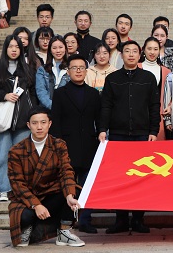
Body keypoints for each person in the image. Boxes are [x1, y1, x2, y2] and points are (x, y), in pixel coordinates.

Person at [99, 40, 160, 234]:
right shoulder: (112, 78)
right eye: (127, 51)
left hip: (142, 134)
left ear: (140, 54)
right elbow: (106, 106)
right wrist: (103, 129)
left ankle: (139, 219)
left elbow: (154, 106)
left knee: (141, 177)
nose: (131, 54)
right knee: (120, 177)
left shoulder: (148, 78)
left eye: (135, 51)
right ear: (121, 55)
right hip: (118, 134)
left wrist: (153, 131)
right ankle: (121, 220)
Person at [7, 106, 84, 247]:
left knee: (75, 192)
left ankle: (64, 232)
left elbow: (66, 172)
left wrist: (69, 196)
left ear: (50, 124)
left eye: (43, 122)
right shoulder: (16, 150)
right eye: (35, 123)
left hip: (50, 194)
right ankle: (26, 229)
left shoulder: (59, 145)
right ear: (28, 125)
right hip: (27, 198)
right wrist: (36, 204)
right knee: (23, 215)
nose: (39, 127)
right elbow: (17, 183)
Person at [50, 54, 101, 234]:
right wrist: (58, 144)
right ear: (68, 71)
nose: (78, 71)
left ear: (86, 71)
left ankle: (85, 220)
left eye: (81, 68)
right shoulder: (60, 93)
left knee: (87, 184)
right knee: (68, 184)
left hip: (89, 145)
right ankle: (66, 219)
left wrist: (100, 136)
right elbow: (55, 121)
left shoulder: (93, 94)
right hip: (67, 145)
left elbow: (99, 120)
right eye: (74, 68)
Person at [0, 35, 37, 202]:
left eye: (17, 47)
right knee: (3, 156)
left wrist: (33, 114)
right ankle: (4, 190)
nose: (14, 50)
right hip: (3, 120)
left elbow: (34, 93)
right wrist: (4, 95)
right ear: (5, 48)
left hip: (23, 120)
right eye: (11, 46)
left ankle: (20, 190)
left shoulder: (27, 68)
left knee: (22, 157)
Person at [139, 36, 171, 141]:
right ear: (144, 50)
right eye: (149, 49)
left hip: (158, 116)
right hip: (138, 117)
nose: (152, 52)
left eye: (155, 49)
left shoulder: (166, 71)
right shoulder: (136, 67)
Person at [35, 36, 70, 109]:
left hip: (66, 109)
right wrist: (53, 106)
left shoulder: (71, 68)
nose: (58, 51)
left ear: (65, 49)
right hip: (46, 109)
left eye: (61, 47)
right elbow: (41, 91)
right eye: (54, 48)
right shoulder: (42, 69)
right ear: (50, 50)